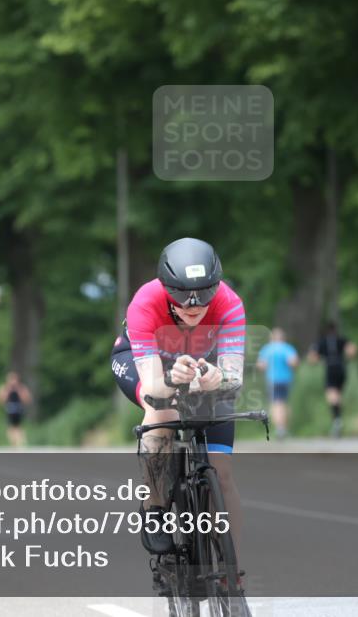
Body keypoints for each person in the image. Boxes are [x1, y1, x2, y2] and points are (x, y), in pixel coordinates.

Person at [110, 237, 245, 557]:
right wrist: (171, 379)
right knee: (163, 413)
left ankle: (232, 573)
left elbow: (234, 376)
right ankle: (154, 506)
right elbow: (155, 388)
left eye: (204, 295)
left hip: (202, 367)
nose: (194, 305)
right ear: (166, 287)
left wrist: (219, 378)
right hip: (147, 366)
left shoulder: (229, 302)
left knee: (222, 473)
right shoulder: (145, 302)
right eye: (183, 296)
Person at [308, 322, 357, 438]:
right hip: (341, 367)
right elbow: (352, 351)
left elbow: (312, 359)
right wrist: (347, 357)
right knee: (338, 394)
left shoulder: (322, 342)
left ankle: (337, 419)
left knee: (331, 395)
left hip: (330, 368)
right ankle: (338, 418)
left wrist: (319, 358)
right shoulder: (342, 339)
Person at [256, 328, 299, 439]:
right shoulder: (287, 348)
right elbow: (294, 362)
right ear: (283, 338)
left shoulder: (267, 349)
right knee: (284, 403)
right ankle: (284, 428)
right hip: (286, 379)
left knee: (275, 404)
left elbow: (261, 365)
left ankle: (280, 429)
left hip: (273, 380)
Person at [0, 371, 32, 447]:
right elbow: (1, 400)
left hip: (19, 410)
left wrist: (19, 391)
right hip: (10, 410)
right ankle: (14, 444)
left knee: (18, 427)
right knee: (10, 428)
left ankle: (20, 443)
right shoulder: (5, 388)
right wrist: (8, 391)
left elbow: (27, 399)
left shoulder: (21, 388)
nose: (13, 382)